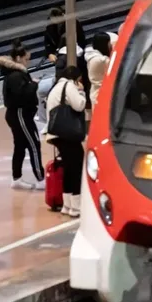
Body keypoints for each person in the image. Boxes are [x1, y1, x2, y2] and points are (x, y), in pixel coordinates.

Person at [0, 41, 44, 190]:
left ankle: (16, 178)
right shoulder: (16, 76)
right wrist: (33, 85)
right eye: (26, 59)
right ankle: (40, 178)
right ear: (18, 58)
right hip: (20, 114)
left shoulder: (15, 74)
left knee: (20, 145)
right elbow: (21, 95)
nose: (28, 62)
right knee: (33, 144)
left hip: (18, 114)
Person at [46, 66, 88, 217]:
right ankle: (76, 207)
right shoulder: (69, 86)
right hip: (67, 134)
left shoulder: (56, 87)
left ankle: (67, 205)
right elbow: (80, 105)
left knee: (69, 168)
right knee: (76, 167)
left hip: (57, 133)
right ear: (76, 78)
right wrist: (81, 91)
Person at [86, 32, 113, 108]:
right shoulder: (102, 60)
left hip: (95, 91)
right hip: (102, 93)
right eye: (109, 42)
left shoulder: (91, 56)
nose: (110, 45)